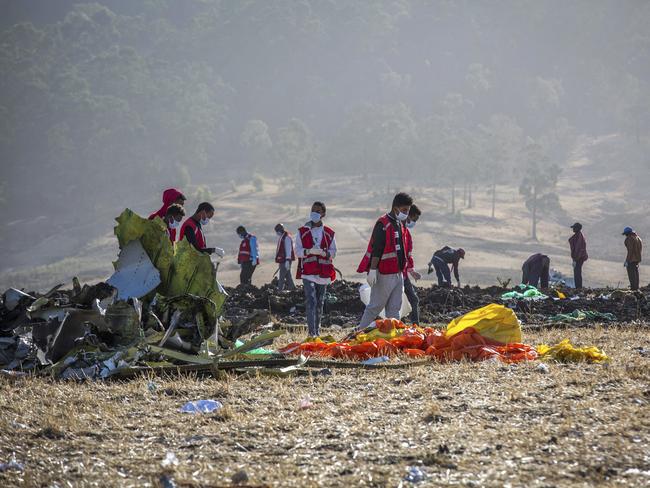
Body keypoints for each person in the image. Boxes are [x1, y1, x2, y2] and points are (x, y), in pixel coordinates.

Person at [357, 192, 413, 329]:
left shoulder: (399, 224)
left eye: (408, 210)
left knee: (395, 310)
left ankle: (391, 339)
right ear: (396, 208)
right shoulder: (383, 224)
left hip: (398, 273)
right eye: (404, 210)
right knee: (375, 307)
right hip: (384, 273)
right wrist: (373, 270)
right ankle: (358, 333)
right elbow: (377, 248)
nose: (406, 213)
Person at [295, 201, 337, 338]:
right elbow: (298, 251)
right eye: (313, 210)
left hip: (323, 273)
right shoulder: (302, 231)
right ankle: (311, 332)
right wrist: (308, 251)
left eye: (318, 211)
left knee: (320, 302)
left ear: (323, 214)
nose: (314, 213)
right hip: (308, 272)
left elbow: (334, 252)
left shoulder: (329, 233)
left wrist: (325, 253)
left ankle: (317, 331)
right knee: (311, 300)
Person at [403, 204, 422, 324]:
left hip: (403, 274)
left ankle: (416, 326)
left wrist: (411, 271)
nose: (413, 223)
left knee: (413, 300)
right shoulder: (397, 230)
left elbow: (407, 254)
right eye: (414, 219)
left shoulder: (406, 234)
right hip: (393, 274)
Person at [274, 223, 296, 291]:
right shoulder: (282, 237)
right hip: (283, 260)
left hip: (285, 260)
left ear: (279, 231)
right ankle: (293, 289)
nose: (277, 233)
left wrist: (287, 260)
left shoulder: (286, 238)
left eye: (277, 231)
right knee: (288, 275)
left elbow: (288, 249)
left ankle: (279, 290)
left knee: (281, 276)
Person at [568, 222, 588, 289]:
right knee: (577, 272)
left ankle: (578, 288)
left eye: (574, 227)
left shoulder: (579, 237)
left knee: (577, 273)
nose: (573, 229)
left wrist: (575, 259)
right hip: (578, 257)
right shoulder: (578, 236)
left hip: (579, 258)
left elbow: (578, 249)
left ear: (577, 228)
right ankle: (578, 287)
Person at [623, 226, 643, 291]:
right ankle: (636, 288)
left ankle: (633, 288)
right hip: (637, 259)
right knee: (636, 273)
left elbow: (630, 251)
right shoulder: (638, 238)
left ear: (627, 233)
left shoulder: (630, 239)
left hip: (631, 260)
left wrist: (627, 261)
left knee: (631, 274)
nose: (625, 236)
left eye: (625, 234)